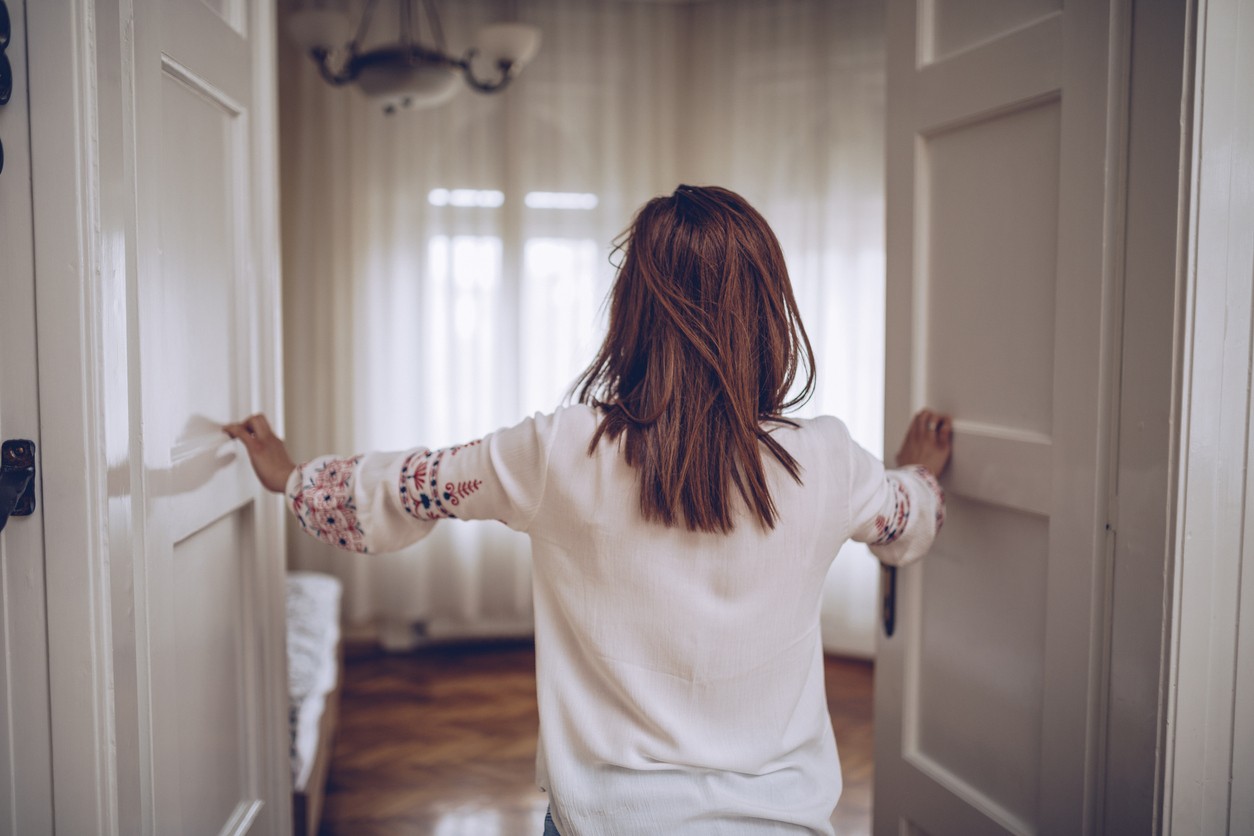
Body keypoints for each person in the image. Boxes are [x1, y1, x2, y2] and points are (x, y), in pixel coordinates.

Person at [226, 184, 951, 835]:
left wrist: (293, 478)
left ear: (632, 310)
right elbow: (908, 520)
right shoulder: (827, 459)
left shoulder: (562, 449)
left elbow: (411, 486)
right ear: (767, 312)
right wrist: (918, 470)